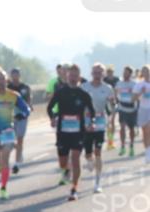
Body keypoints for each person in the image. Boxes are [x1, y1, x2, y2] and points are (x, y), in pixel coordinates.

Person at [47, 63, 95, 201]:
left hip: (78, 131)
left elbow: (91, 110)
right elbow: (50, 107)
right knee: (63, 161)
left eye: (75, 76)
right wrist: (52, 118)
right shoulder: (61, 92)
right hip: (62, 131)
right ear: (67, 76)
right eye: (71, 75)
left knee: (75, 157)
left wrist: (90, 122)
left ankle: (74, 189)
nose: (73, 78)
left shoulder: (84, 94)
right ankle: (66, 170)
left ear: (79, 77)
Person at [0, 67, 30, 199]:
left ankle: (3, 188)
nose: (0, 81)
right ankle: (3, 172)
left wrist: (22, 115)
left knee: (5, 159)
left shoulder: (13, 95)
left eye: (3, 79)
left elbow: (26, 109)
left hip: (8, 132)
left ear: (6, 80)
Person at [80, 63, 115, 193]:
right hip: (86, 121)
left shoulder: (108, 88)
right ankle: (90, 161)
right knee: (88, 153)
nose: (97, 75)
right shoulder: (84, 87)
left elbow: (112, 106)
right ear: (91, 73)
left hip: (100, 121)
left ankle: (97, 183)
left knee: (98, 152)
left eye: (100, 72)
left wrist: (112, 109)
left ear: (103, 74)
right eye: (95, 72)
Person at [6, 68, 32, 173]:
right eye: (13, 74)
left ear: (19, 75)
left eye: (17, 74)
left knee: (20, 138)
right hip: (10, 117)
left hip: (22, 116)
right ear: (11, 76)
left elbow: (29, 101)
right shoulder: (8, 88)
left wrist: (27, 110)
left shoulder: (25, 87)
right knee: (10, 140)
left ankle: (16, 163)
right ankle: (19, 150)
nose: (15, 76)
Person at [115, 66, 139, 157]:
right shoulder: (119, 83)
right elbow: (115, 92)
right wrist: (116, 100)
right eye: (124, 72)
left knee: (131, 129)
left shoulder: (134, 84)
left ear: (130, 74)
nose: (125, 74)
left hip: (132, 109)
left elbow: (137, 95)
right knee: (122, 127)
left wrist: (134, 99)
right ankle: (122, 147)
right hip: (122, 108)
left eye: (127, 73)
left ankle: (131, 146)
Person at [104, 65, 119, 149]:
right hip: (106, 103)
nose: (109, 73)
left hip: (114, 102)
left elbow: (118, 90)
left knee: (112, 121)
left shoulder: (116, 80)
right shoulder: (104, 80)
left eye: (111, 72)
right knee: (108, 123)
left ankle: (111, 139)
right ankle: (109, 140)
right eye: (108, 72)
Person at [137, 65, 150, 163]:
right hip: (143, 109)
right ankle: (147, 152)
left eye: (147, 71)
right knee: (145, 132)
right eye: (144, 71)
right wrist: (141, 93)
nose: (146, 73)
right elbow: (132, 99)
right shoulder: (139, 85)